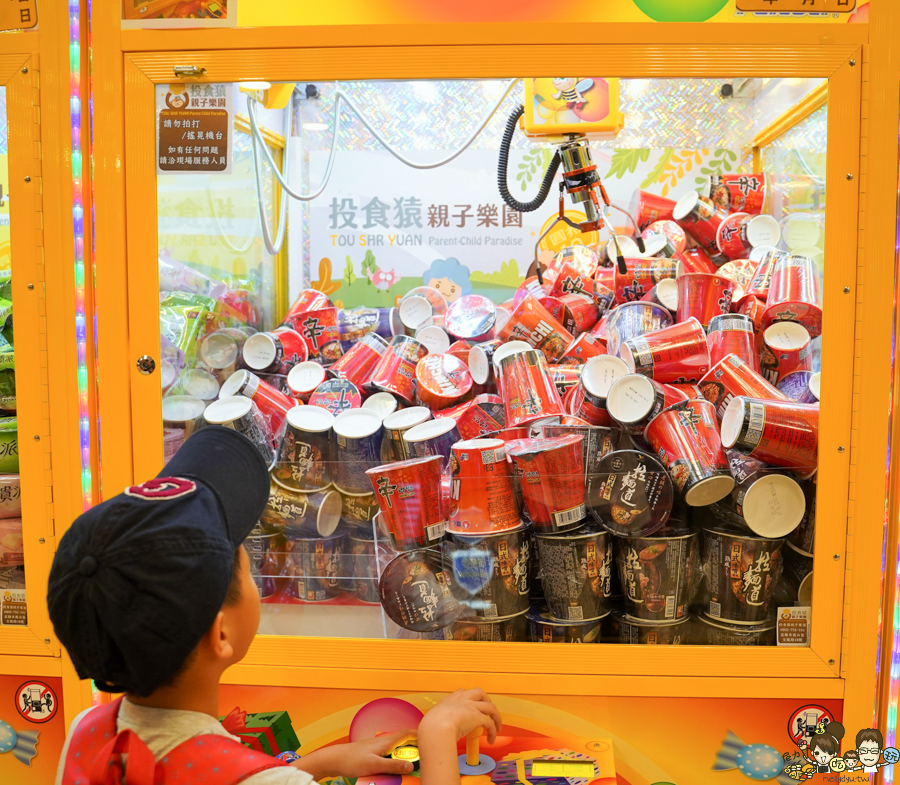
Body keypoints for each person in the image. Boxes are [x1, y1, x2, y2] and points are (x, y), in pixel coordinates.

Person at [48, 426, 501, 785]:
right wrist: (437, 735)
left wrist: (320, 762)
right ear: (219, 634)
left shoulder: (85, 734)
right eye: (244, 564)